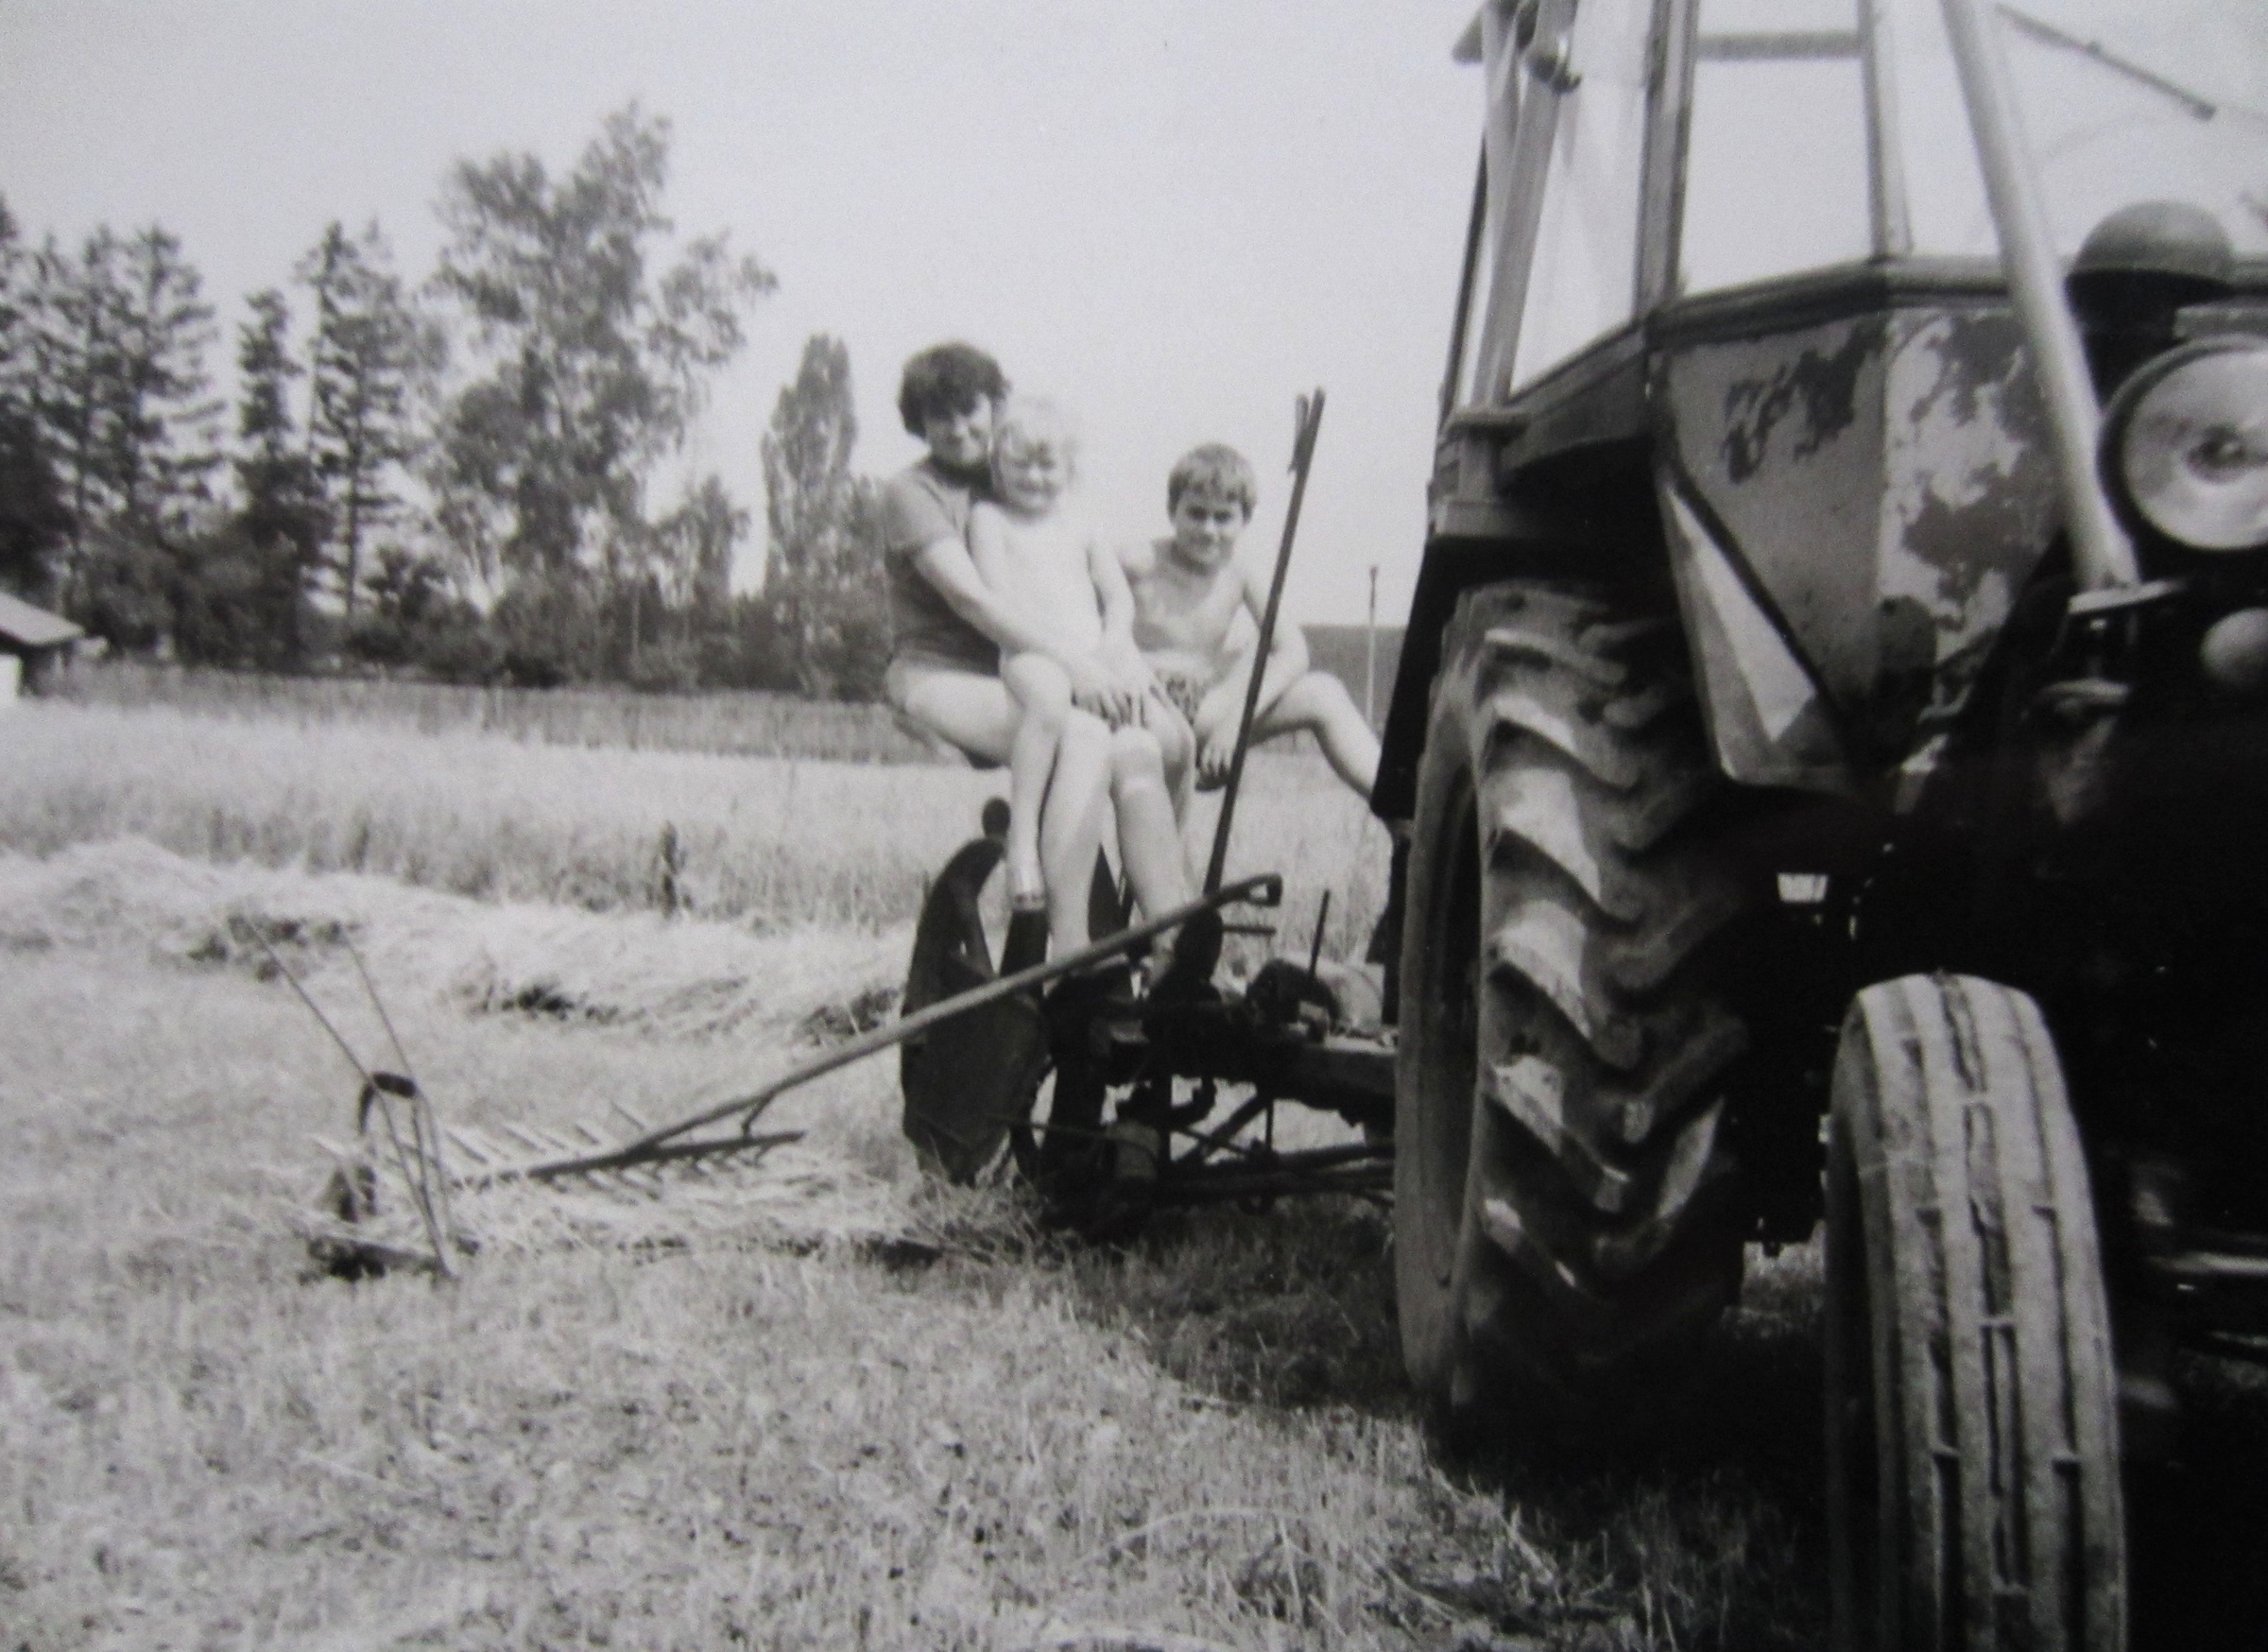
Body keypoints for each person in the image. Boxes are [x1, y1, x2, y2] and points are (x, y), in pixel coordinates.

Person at [878, 344, 1200, 972]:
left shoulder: (1018, 470)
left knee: (1148, 744)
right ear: (919, 423)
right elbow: (973, 600)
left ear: (995, 407)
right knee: (1083, 736)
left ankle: (1170, 927)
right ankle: (1072, 949)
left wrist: (1125, 656)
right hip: (943, 671)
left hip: (1041, 669)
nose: (960, 430)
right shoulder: (912, 493)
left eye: (970, 411)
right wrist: (1082, 668)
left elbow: (1089, 571)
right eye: (940, 416)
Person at [967, 397, 1188, 917]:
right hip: (1031, 651)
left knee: (1154, 739)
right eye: (1020, 464)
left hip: (1094, 658)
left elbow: (1118, 598)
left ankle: (1169, 904)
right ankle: (1023, 841)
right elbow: (998, 600)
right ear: (998, 465)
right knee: (1047, 700)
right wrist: (1072, 663)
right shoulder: (990, 519)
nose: (1034, 477)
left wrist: (1112, 648)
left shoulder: (1082, 525)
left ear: (1070, 469)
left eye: (1047, 465)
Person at [1119, 442, 1380, 800]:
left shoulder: (1240, 573)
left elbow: (1293, 651)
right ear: (1171, 511)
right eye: (1196, 513)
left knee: (1324, 692)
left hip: (1205, 708)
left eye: (1223, 517)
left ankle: (1401, 811)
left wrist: (1235, 726)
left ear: (1245, 520)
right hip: (1141, 702)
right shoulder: (1139, 561)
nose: (1209, 529)